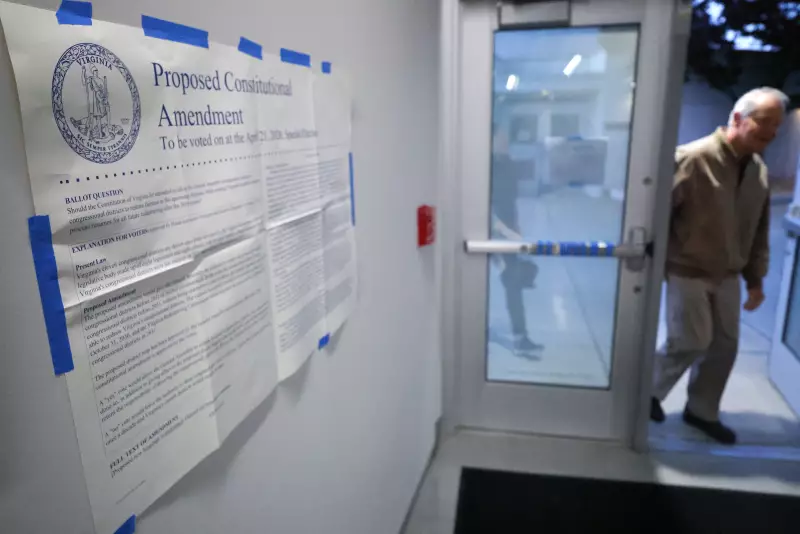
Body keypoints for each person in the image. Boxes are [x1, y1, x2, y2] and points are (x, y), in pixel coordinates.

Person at [650, 87, 789, 444]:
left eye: (777, 126)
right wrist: (653, 267)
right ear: (738, 119)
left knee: (724, 347)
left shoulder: (757, 170)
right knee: (690, 340)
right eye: (765, 122)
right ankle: (645, 393)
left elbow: (758, 230)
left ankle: (702, 411)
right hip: (687, 268)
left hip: (728, 274)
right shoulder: (693, 158)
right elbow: (656, 216)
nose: (771, 133)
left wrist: (755, 279)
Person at [490, 124, 542, 357]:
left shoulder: (508, 164)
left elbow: (510, 202)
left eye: (505, 138)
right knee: (499, 283)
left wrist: (516, 228)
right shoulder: (485, 166)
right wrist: (502, 229)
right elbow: (483, 204)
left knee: (513, 284)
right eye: (500, 137)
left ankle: (520, 337)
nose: (505, 141)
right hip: (490, 234)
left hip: (508, 232)